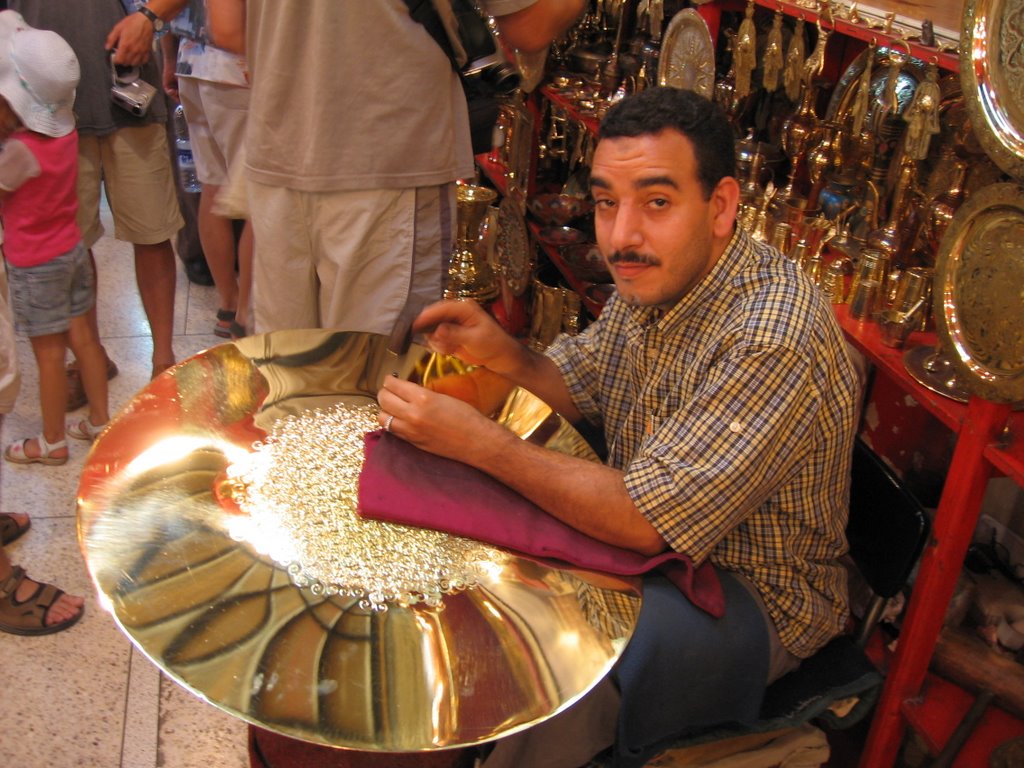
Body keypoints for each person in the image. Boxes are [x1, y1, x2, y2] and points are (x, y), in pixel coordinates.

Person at [376, 87, 861, 767]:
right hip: (656, 518)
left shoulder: (771, 335)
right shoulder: (660, 274)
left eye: (656, 202)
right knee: (480, 563)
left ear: (720, 207)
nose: (621, 236)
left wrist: (486, 446)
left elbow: (645, 523)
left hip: (755, 590)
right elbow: (576, 386)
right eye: (607, 202)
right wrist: (503, 353)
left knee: (557, 644)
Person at [206, 0, 586, 335]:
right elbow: (531, 26)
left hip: (281, 144)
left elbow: (228, 27)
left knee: (289, 372)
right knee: (374, 377)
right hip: (388, 150)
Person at [9, 0, 183, 385]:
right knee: (71, 243)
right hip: (45, 105)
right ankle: (91, 358)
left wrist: (150, 17)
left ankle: (164, 364)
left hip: (130, 86)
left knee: (152, 232)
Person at [0, 20, 110, 466]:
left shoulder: (18, 153)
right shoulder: (67, 132)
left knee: (48, 355)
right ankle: (101, 420)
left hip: (35, 265)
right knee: (85, 339)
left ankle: (51, 442)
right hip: (72, 250)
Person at [162, 0, 252, 339]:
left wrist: (169, 58)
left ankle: (227, 304)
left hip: (190, 61)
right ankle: (247, 311)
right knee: (256, 193)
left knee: (212, 187)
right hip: (236, 66)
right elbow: (231, 25)